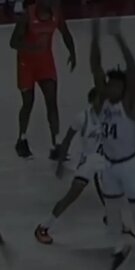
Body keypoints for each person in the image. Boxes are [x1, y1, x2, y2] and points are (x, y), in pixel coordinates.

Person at [90, 19, 135, 270]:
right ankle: (118, 248)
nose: (110, 87)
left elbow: (133, 71)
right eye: (109, 84)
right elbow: (95, 67)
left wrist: (118, 38)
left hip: (130, 165)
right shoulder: (101, 101)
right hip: (109, 165)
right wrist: (94, 37)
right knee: (112, 213)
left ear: (123, 88)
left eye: (115, 84)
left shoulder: (130, 106)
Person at [34, 87, 105, 244]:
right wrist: (60, 164)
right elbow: (66, 140)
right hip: (86, 162)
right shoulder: (82, 118)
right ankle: (43, 226)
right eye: (101, 99)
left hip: (103, 161)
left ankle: (116, 221)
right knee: (71, 195)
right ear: (92, 100)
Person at [10, 0, 76, 159]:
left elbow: (65, 33)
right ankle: (22, 139)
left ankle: (56, 144)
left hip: (45, 63)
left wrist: (72, 53)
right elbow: (13, 42)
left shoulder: (57, 14)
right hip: (26, 64)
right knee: (28, 102)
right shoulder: (27, 15)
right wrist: (31, 47)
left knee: (52, 102)